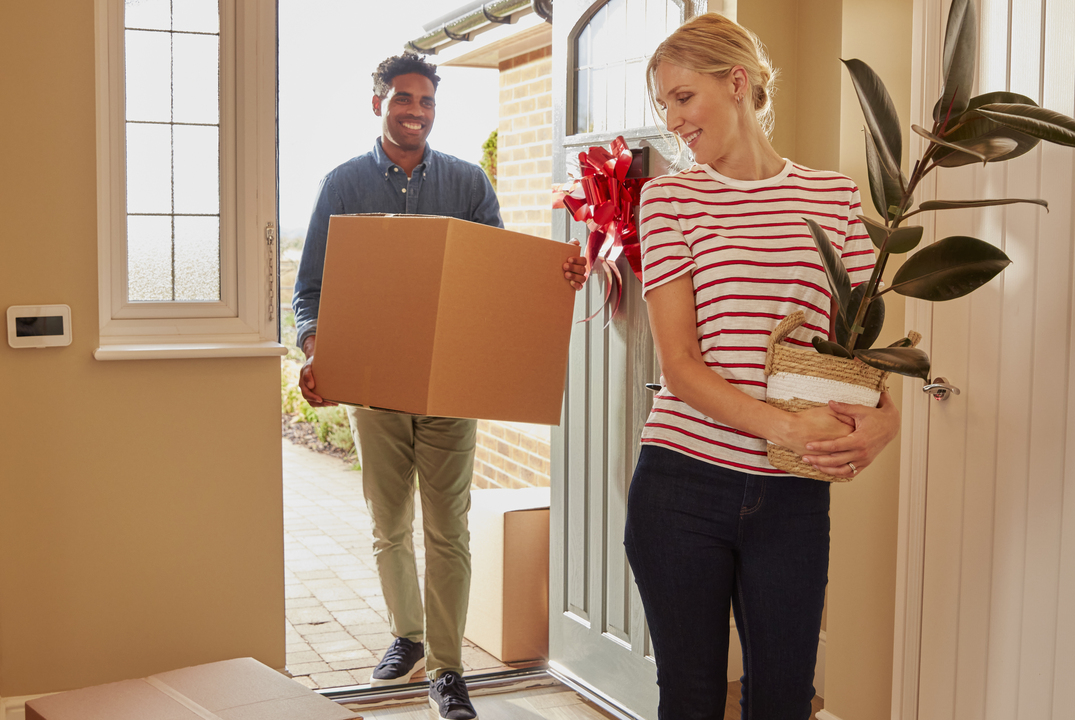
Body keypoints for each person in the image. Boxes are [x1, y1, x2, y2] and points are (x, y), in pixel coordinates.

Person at [624, 14, 902, 720]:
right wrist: (790, 429)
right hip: (681, 486)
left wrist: (884, 422)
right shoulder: (670, 201)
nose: (674, 120)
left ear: (737, 82)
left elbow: (862, 355)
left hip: (792, 500)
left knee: (783, 701)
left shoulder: (833, 200)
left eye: (683, 97)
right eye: (664, 106)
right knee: (689, 699)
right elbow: (681, 367)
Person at [293, 53, 586, 717]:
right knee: (388, 524)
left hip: (451, 391)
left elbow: (498, 279)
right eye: (403, 99)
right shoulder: (341, 186)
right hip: (376, 388)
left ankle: (448, 671)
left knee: (447, 528)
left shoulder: (466, 182)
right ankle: (408, 636)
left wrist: (555, 278)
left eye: (425, 101)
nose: (415, 111)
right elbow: (309, 293)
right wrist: (318, 350)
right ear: (379, 104)